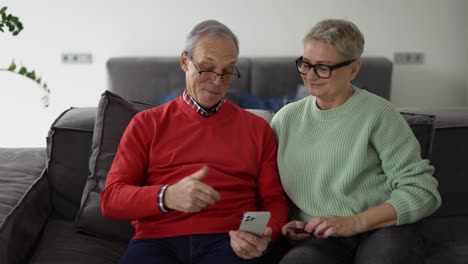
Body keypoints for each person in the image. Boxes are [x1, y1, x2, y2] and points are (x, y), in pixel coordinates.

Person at [100, 20, 289, 264]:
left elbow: (274, 200)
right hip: (157, 241)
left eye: (228, 70)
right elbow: (111, 199)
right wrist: (166, 196)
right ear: (184, 61)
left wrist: (265, 234)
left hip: (229, 241)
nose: (218, 80)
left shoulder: (257, 129)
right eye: (207, 68)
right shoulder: (146, 123)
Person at [271, 19, 441, 264]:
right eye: (306, 64)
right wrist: (289, 221)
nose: (310, 75)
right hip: (322, 236)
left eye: (323, 67)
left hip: (381, 229)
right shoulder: (285, 120)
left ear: (353, 68)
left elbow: (422, 190)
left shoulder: (379, 113)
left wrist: (355, 222)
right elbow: (272, 189)